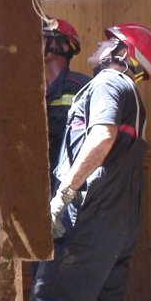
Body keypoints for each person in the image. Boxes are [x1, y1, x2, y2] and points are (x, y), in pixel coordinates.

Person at [26, 23, 151, 301]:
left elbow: (101, 136)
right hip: (120, 226)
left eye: (110, 41)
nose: (101, 44)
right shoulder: (134, 97)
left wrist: (64, 194)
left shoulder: (107, 83)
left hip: (88, 222)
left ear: (123, 53)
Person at [42, 18, 91, 181]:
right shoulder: (31, 90)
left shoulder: (81, 86)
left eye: (43, 37)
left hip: (67, 183)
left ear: (62, 46)